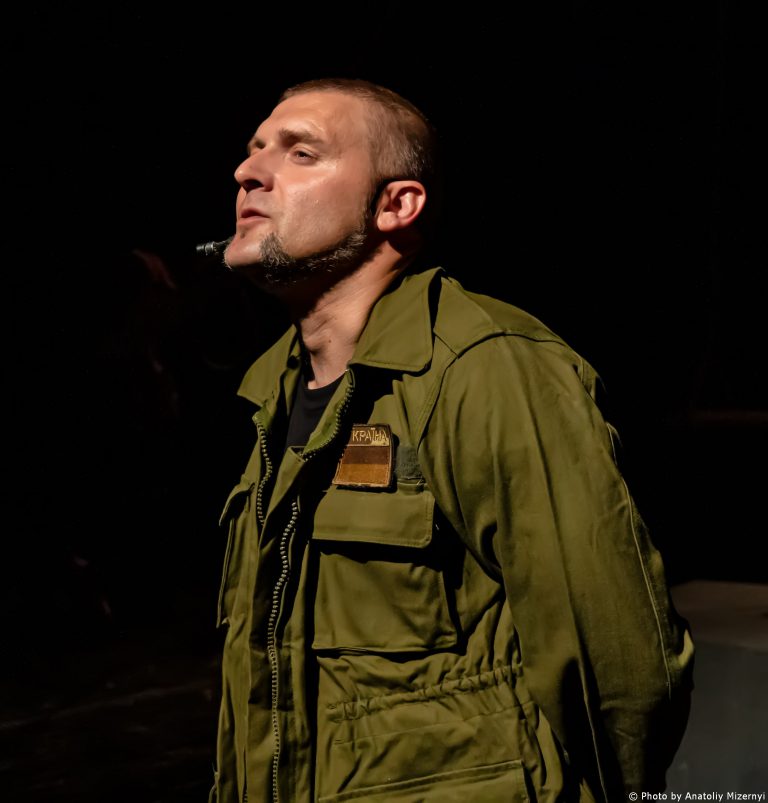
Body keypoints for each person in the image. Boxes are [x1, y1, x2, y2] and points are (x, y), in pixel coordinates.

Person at [210, 77, 694, 803]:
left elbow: (619, 664)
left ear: (397, 205)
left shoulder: (486, 367)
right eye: (254, 150)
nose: (248, 172)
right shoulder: (272, 397)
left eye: (301, 152)